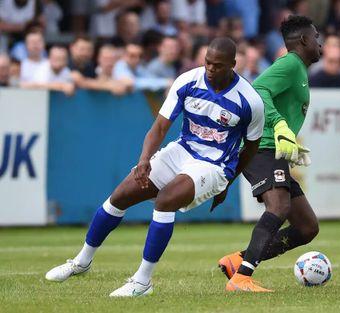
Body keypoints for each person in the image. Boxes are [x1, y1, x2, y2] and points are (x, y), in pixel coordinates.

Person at [45, 37, 265, 297]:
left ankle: (142, 282)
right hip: (181, 150)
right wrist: (144, 160)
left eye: (217, 65)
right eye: (207, 62)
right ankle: (82, 262)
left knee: (165, 200)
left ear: (232, 64)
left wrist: (227, 181)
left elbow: (250, 148)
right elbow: (160, 127)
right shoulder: (187, 81)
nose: (210, 68)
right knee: (119, 197)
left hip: (214, 165)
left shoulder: (250, 101)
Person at [218, 15, 322, 292]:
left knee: (307, 227)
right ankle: (241, 278)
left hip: (272, 150)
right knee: (278, 207)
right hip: (260, 148)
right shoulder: (289, 64)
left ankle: (237, 261)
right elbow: (259, 88)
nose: (319, 43)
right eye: (316, 38)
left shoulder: (299, 69)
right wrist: (280, 125)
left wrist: (288, 137)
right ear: (303, 40)